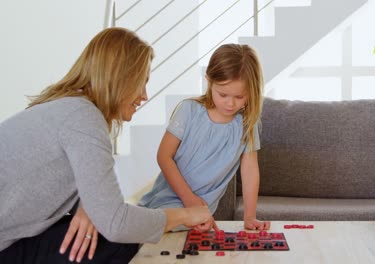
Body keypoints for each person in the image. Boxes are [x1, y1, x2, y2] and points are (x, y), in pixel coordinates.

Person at [0, 27, 213, 263]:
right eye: (141, 83)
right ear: (120, 78)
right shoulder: (83, 118)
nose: (144, 95)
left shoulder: (68, 108)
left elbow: (94, 198)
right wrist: (185, 215)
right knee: (121, 240)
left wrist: (89, 207)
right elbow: (116, 223)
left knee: (101, 231)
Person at [138, 44, 271, 231]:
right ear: (209, 81)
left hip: (202, 210)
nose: (230, 103)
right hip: (171, 200)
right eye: (223, 94)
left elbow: (249, 171)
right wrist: (189, 199)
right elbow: (164, 156)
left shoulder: (247, 124)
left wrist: (249, 217)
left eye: (240, 96)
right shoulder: (189, 110)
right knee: (155, 229)